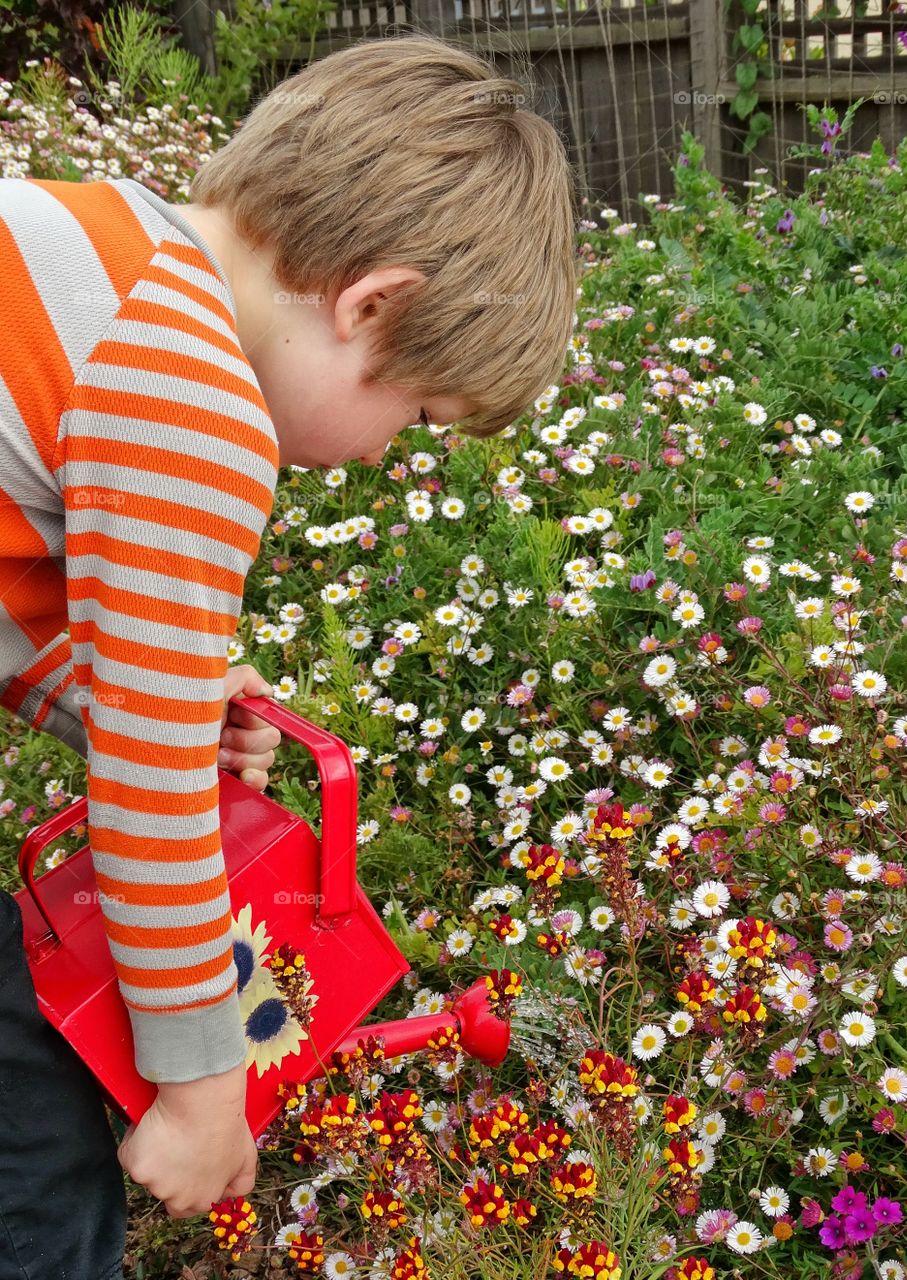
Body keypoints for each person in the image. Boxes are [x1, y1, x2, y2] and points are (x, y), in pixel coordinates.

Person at [0, 30, 579, 1279]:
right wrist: (204, 1084)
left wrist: (112, 691)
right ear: (374, 302)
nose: (384, 455)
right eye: (417, 415)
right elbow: (150, 800)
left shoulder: (101, 243)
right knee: (36, 1159)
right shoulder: (193, 396)